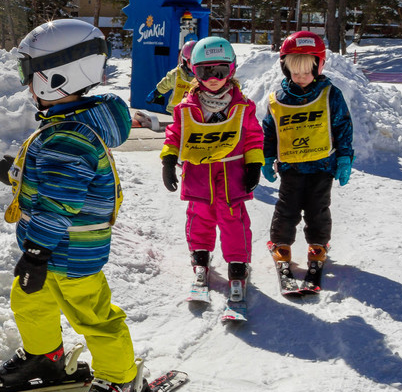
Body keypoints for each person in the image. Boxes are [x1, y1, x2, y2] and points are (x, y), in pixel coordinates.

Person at [0, 19, 143, 392]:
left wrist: (36, 251)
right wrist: (17, 174)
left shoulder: (67, 136)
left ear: (58, 76)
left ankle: (120, 377)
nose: (26, 84)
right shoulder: (67, 126)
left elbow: (60, 202)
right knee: (30, 302)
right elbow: (54, 182)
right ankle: (46, 357)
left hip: (69, 251)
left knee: (91, 315)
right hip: (52, 246)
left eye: (28, 74)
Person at [159, 37, 264, 305]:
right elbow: (175, 135)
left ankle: (238, 266)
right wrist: (168, 161)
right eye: (206, 72)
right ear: (195, 71)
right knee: (200, 218)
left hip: (232, 176)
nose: (213, 78)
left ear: (231, 70)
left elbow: (253, 136)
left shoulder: (242, 106)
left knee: (234, 220)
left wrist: (254, 164)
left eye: (220, 71)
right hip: (199, 176)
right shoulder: (186, 108)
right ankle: (200, 261)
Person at [260, 31, 354, 291]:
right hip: (291, 167)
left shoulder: (329, 94)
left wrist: (345, 157)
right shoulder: (279, 99)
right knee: (286, 210)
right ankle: (280, 246)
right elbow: (270, 130)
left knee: (318, 210)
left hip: (322, 167)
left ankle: (318, 245)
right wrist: (267, 157)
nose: (300, 78)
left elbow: (343, 126)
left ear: (319, 66)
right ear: (285, 68)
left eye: (306, 72)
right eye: (294, 72)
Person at [149, 41, 198, 112]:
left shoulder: (203, 76)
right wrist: (156, 92)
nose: (195, 65)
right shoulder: (176, 74)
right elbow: (165, 83)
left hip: (195, 110)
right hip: (177, 109)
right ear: (184, 61)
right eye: (192, 62)